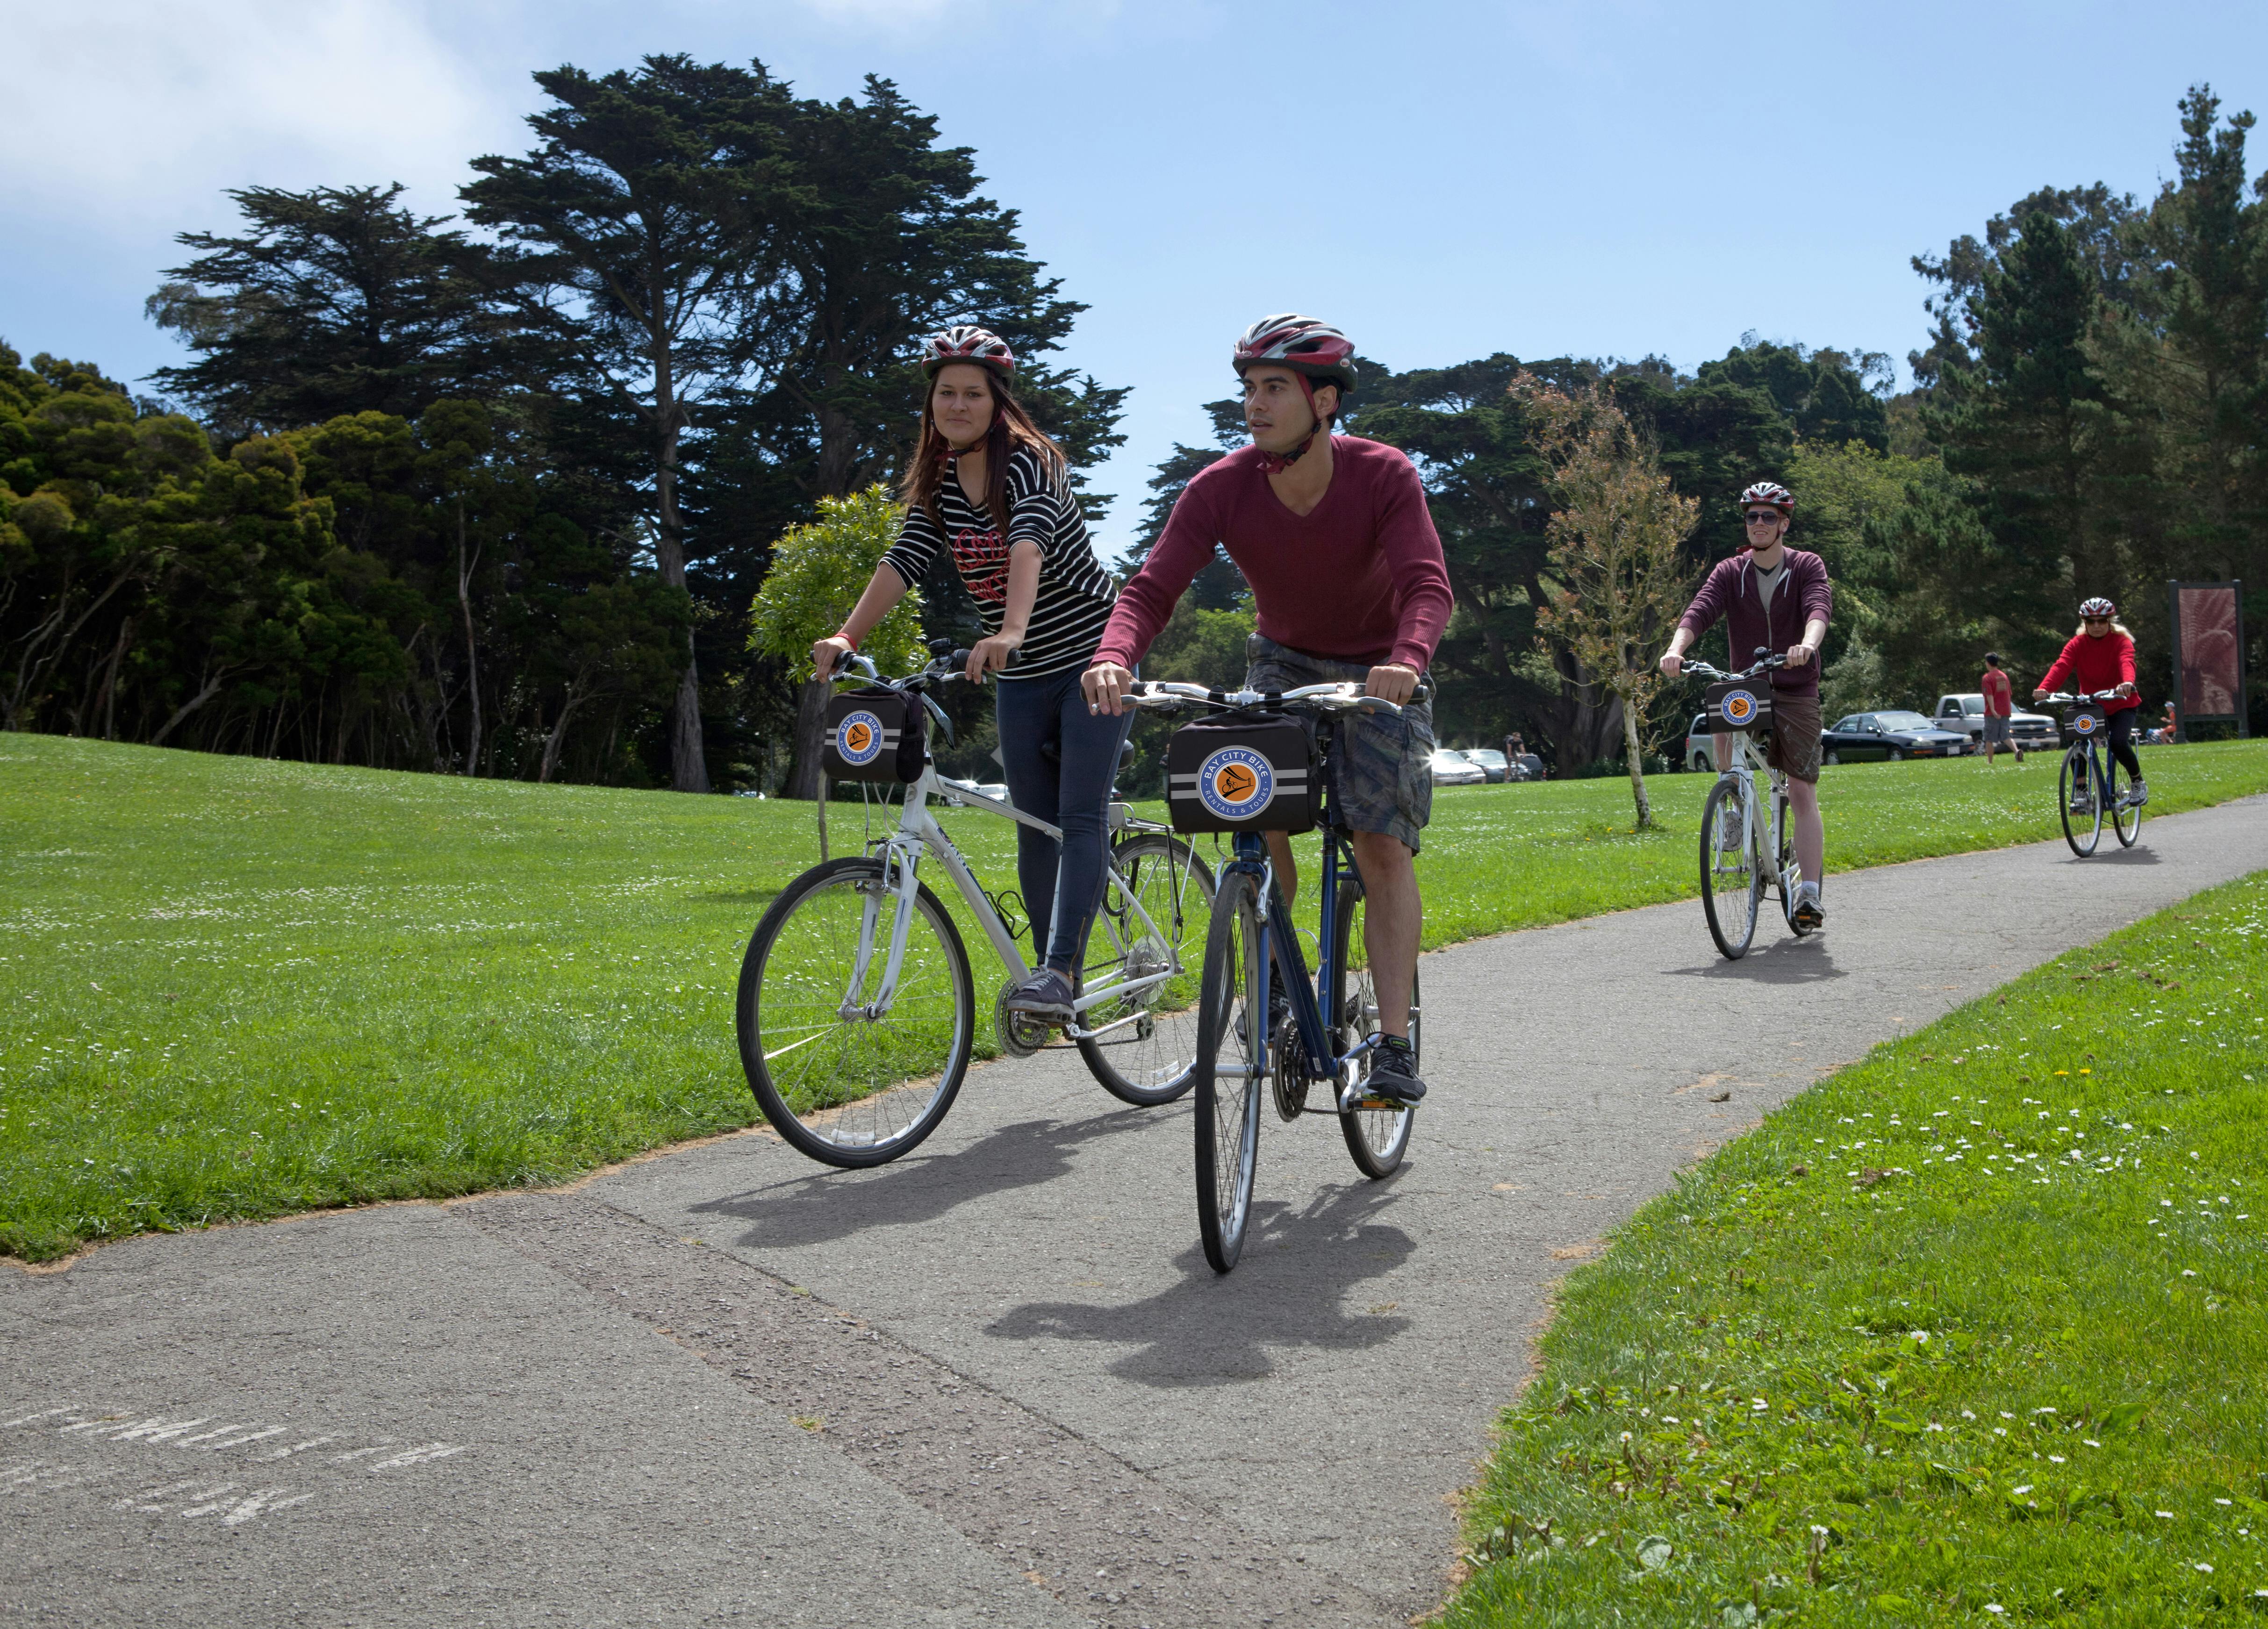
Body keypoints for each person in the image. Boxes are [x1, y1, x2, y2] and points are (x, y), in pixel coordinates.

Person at [1082, 314, 1453, 1104]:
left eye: (1274, 388)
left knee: (1379, 841)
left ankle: (1391, 1046)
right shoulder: (1219, 489)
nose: (1254, 404)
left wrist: (1406, 659)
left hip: (1379, 666)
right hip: (1281, 661)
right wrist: (1114, 652)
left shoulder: (1384, 475)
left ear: (1323, 403)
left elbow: (1426, 585)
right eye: (1248, 388)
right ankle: (1277, 975)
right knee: (1253, 814)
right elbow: (1151, 589)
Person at [813, 326, 1124, 1025]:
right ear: (932, 403)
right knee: (1032, 823)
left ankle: (1061, 973)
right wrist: (847, 632)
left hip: (1089, 659)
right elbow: (906, 557)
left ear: (997, 401)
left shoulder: (1031, 461)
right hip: (1021, 677)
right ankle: (1047, 975)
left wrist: (1011, 630)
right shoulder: (943, 481)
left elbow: (1029, 542)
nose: (958, 405)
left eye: (972, 394)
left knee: (1074, 817)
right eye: (946, 393)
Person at [1658, 480, 1832, 931]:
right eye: (1752, 516)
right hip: (1748, 684)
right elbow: (1700, 611)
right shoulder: (1730, 572)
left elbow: (1818, 610)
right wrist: (1676, 649)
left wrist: (1807, 646)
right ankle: (1733, 800)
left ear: (1784, 524)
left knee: (1800, 791)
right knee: (1723, 701)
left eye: (1768, 516)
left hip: (1796, 686)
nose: (1758, 523)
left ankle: (1809, 894)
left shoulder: (1807, 565)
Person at [2035, 597, 2146, 807]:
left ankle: (2138, 782)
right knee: (2078, 740)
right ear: (2084, 623)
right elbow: (2062, 665)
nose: (2096, 626)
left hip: (2121, 703)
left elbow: (2127, 662)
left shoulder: (2121, 642)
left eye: (2102, 621)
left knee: (2118, 743)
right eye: (2091, 621)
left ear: (2109, 622)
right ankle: (2082, 792)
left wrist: (2127, 682)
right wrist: (2045, 688)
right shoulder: (2077, 644)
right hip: (2091, 706)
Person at [1980, 651, 2023, 766]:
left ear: (1988, 663)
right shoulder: (2004, 676)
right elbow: (2009, 694)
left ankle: (1990, 762)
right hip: (2006, 711)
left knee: (1989, 738)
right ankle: (2017, 751)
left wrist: (1993, 710)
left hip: (1992, 713)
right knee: (2006, 736)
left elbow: (1989, 695)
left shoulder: (1987, 678)